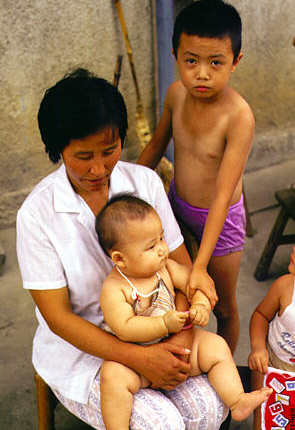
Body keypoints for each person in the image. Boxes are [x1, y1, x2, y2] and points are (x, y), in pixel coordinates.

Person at [16, 68, 229, 429]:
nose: (99, 168)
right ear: (58, 149)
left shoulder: (144, 182)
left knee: (210, 408)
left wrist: (179, 340)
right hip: (87, 354)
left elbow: (179, 269)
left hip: (163, 334)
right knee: (160, 424)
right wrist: (140, 358)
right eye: (83, 156)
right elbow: (59, 317)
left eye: (109, 150)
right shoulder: (38, 214)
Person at [137, 0, 255, 354]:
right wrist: (126, 191)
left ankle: (223, 376)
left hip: (220, 222)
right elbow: (155, 150)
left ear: (235, 62)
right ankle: (189, 359)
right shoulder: (175, 95)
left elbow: (222, 195)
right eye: (191, 61)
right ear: (176, 55)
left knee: (221, 305)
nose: (201, 74)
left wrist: (199, 266)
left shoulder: (238, 116)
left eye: (215, 62)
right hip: (177, 208)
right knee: (179, 298)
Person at [96, 194, 272, 430]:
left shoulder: (166, 267)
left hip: (178, 350)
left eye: (161, 239)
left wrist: (199, 304)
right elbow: (125, 328)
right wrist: (164, 325)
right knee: (112, 376)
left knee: (217, 346)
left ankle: (237, 400)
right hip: (137, 359)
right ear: (120, 259)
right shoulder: (115, 288)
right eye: (151, 246)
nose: (161, 250)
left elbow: (193, 283)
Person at [248, 272, 295, 429]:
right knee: (264, 418)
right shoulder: (286, 286)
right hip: (271, 363)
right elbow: (261, 315)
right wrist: (258, 347)